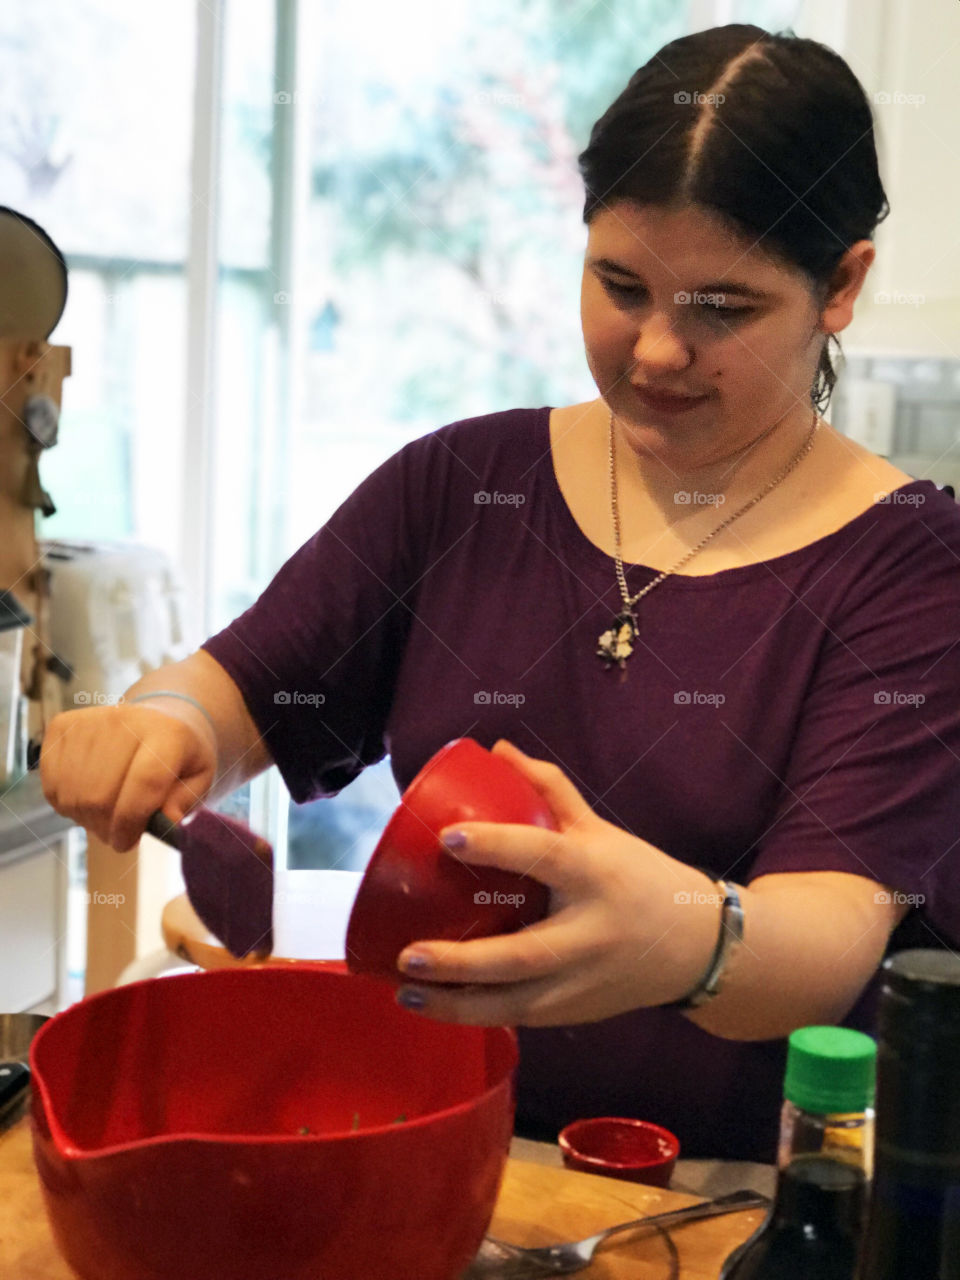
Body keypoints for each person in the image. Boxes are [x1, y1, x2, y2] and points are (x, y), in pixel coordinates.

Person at [39, 24, 960, 1163]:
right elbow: (245, 686)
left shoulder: (912, 564)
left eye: (724, 308)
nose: (659, 351)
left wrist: (686, 937)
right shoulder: (465, 484)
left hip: (727, 1193)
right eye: (621, 285)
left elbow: (826, 937)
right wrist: (160, 725)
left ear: (842, 285)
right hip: (434, 1141)